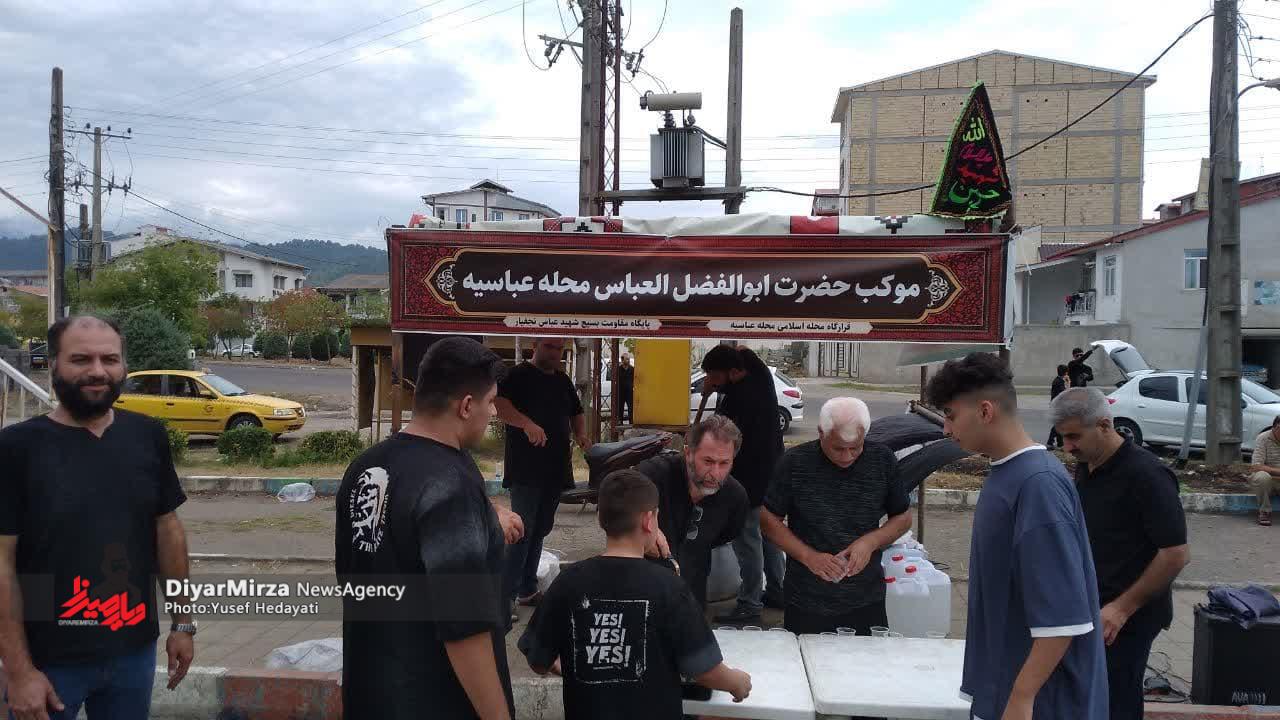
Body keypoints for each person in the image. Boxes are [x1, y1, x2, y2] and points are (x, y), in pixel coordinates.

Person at [0, 315, 195, 720]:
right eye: (80, 359)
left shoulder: (147, 436)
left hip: (134, 653)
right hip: (48, 662)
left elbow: (168, 532)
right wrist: (18, 671)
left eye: (109, 359)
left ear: (123, 366)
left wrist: (183, 623)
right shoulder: (16, 449)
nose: (97, 371)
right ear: (53, 364)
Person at [336, 336, 517, 719]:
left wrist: (487, 520)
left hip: (370, 692)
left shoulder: (366, 467)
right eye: (490, 402)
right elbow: (464, 624)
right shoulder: (448, 484)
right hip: (432, 699)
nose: (493, 413)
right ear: (466, 406)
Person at [925, 352, 1107, 720]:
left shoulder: (1038, 484)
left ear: (985, 411)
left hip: (1045, 702)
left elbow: (1063, 617)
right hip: (1004, 683)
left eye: (950, 415)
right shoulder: (1008, 473)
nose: (945, 429)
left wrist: (1022, 698)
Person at [518, 469, 752, 719]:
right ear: (649, 521)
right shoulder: (670, 587)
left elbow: (538, 659)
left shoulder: (567, 583)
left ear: (600, 519)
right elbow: (705, 671)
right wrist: (737, 683)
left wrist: (581, 668)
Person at [1052, 388, 1190, 720]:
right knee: (1088, 699)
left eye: (1074, 437)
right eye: (1063, 438)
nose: (1068, 447)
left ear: (1104, 425)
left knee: (1116, 703)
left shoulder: (1148, 475)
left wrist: (1121, 608)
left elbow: (1175, 553)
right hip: (1094, 608)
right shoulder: (1089, 465)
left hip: (1128, 617)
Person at [760, 398, 912, 636]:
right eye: (838, 448)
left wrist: (870, 542)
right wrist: (808, 556)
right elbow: (768, 519)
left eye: (856, 448)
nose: (847, 456)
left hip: (866, 596)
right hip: (806, 597)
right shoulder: (795, 462)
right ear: (821, 433)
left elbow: (903, 518)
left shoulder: (882, 460)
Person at [496, 337, 591, 614]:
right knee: (520, 531)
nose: (554, 353)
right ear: (534, 346)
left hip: (555, 469)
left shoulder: (562, 380)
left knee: (539, 530)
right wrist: (526, 424)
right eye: (549, 347)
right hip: (525, 469)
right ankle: (503, 599)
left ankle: (527, 590)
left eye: (559, 348)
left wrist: (581, 435)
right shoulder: (517, 375)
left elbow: (577, 412)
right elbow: (499, 405)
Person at [700, 345, 785, 624]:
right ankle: (777, 591)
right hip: (771, 472)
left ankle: (750, 603)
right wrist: (714, 384)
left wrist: (712, 394)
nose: (712, 381)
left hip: (749, 478)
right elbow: (745, 353)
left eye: (715, 376)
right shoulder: (760, 375)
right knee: (769, 535)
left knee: (747, 540)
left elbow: (722, 434)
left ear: (734, 372)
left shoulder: (743, 398)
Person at [633, 416, 750, 606]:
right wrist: (642, 526)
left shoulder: (735, 498)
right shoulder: (653, 475)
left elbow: (726, 534)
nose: (715, 473)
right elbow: (614, 501)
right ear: (688, 453)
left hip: (692, 597)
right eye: (708, 461)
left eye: (724, 463)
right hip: (644, 594)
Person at [1249, 416, 1280, 526]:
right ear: (1275, 428)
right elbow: (1256, 466)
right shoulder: (1263, 438)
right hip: (1269, 480)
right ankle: (1265, 512)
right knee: (1261, 477)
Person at [1046, 365, 1071, 449]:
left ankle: (1060, 443)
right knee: (1059, 424)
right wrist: (1068, 383)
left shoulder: (1058, 380)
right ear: (1066, 373)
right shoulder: (1059, 382)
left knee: (1059, 423)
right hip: (1058, 406)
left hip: (1057, 405)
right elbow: (1064, 394)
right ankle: (1050, 442)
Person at [616, 353, 635, 423]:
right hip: (621, 392)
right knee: (620, 407)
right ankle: (620, 422)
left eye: (628, 359)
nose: (628, 360)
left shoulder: (632, 369)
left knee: (630, 407)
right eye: (626, 359)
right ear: (622, 360)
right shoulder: (618, 369)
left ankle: (631, 422)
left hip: (629, 392)